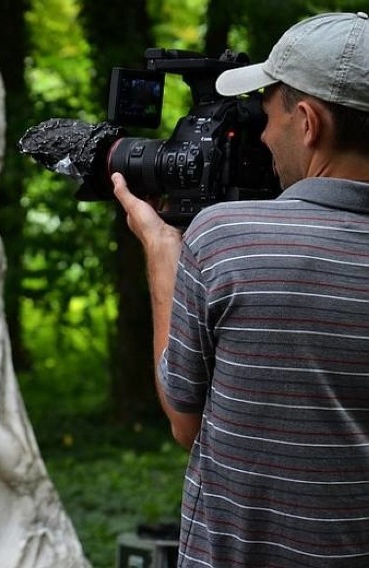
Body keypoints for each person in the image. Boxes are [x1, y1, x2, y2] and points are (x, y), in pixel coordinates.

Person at [113, 11, 369, 567]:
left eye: (266, 112)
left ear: (307, 122)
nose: (260, 134)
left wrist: (163, 254)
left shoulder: (228, 238)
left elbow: (185, 421)